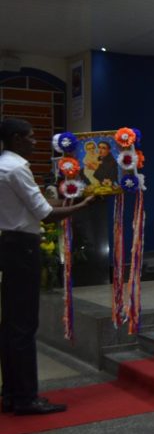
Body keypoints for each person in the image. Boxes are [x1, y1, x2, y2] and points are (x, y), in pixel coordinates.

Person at [1, 117, 96, 415]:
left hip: (6, 244)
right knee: (24, 324)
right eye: (30, 137)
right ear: (16, 139)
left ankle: (12, 391)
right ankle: (26, 398)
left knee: (11, 323)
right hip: (21, 248)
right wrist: (81, 206)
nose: (35, 142)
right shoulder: (17, 168)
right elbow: (44, 213)